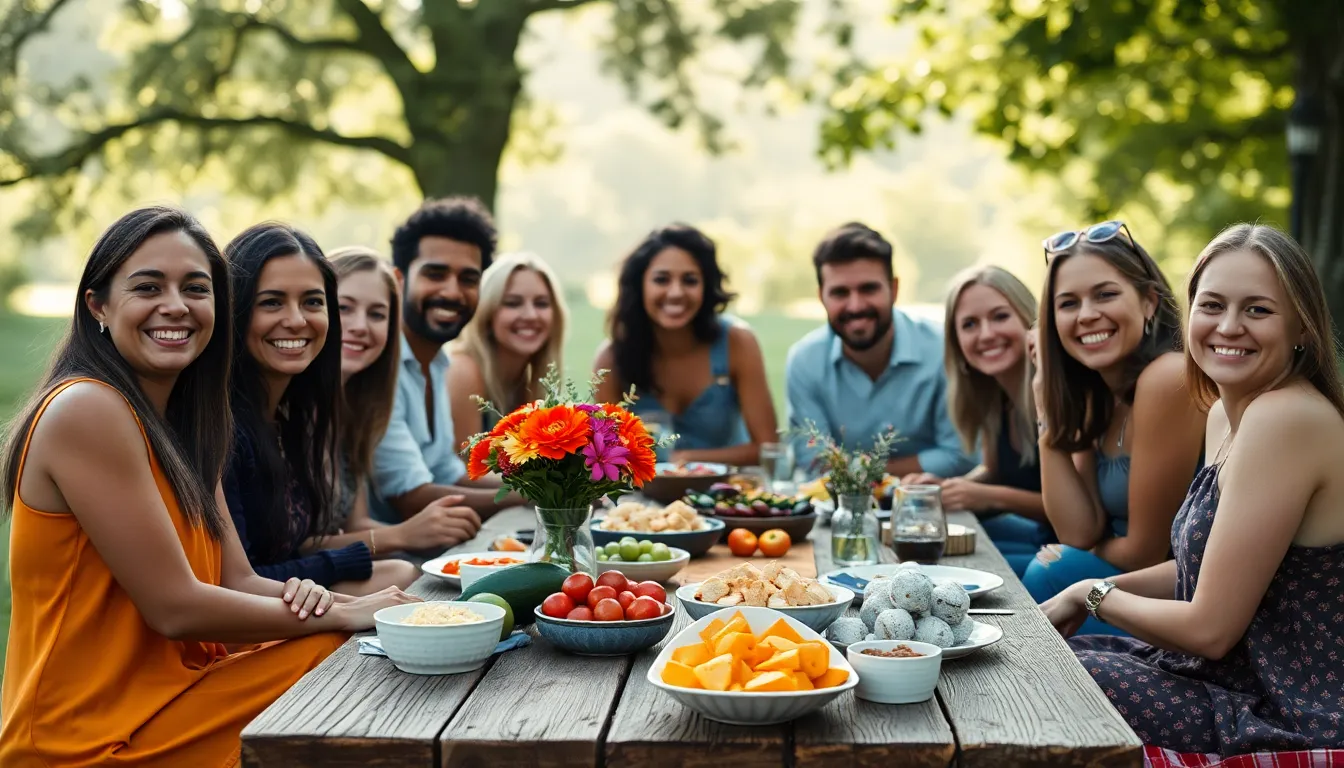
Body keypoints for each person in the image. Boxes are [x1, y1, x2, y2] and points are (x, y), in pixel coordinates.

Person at [0, 207, 416, 767]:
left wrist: (362, 606)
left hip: (180, 696)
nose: (176, 305)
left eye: (196, 289)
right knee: (346, 660)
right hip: (85, 739)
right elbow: (175, 608)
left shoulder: (193, 424)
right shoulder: (87, 409)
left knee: (364, 652)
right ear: (97, 304)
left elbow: (237, 579)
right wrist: (343, 615)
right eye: (149, 287)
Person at [1044, 223, 1344, 755]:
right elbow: (1200, 571)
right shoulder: (1228, 417)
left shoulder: (1286, 418)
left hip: (1287, 708)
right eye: (1212, 306)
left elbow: (1210, 629)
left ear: (1301, 326)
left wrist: (1092, 594)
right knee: (1040, 652)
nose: (1229, 327)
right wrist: (1083, 592)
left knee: (1052, 676)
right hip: (1228, 678)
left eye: (1257, 310)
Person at [1025, 220, 1205, 634]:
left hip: (1178, 601)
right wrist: (1044, 401)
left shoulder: (1168, 378)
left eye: (1105, 295)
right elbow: (1077, 528)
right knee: (1024, 576)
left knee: (1047, 570)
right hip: (1116, 579)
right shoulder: (1100, 395)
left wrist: (1081, 550)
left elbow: (1144, 554)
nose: (1087, 315)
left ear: (1149, 302)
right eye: (1068, 303)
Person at [222, 224, 419, 593]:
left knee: (406, 579)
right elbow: (237, 583)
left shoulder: (290, 414)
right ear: (235, 308)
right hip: (241, 628)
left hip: (292, 595)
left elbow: (306, 544)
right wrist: (369, 550)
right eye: (271, 302)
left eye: (312, 302)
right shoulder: (224, 428)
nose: (296, 320)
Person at [326, 247, 485, 554]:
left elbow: (358, 524)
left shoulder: (355, 405)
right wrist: (403, 535)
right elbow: (293, 551)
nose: (361, 325)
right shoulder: (291, 412)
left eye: (377, 314)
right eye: (344, 308)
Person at [785, 222, 975, 478]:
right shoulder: (805, 361)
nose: (855, 306)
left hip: (935, 507)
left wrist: (857, 473)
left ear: (894, 289)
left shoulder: (942, 349)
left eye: (868, 289)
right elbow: (815, 463)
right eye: (840, 293)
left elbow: (961, 455)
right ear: (822, 297)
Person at [370, 197, 515, 526]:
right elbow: (412, 498)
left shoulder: (438, 363)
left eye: (468, 279)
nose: (452, 292)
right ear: (399, 280)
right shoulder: (378, 366)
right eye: (435, 274)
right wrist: (538, 497)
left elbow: (450, 475)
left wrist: (556, 485)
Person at [904, 266, 1050, 576]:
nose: (986, 334)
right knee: (921, 551)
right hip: (1041, 537)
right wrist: (945, 488)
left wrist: (986, 496)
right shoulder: (994, 397)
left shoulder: (1053, 392)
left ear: (1030, 320)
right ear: (956, 341)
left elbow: (1079, 515)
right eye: (970, 324)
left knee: (948, 571)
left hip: (1063, 550)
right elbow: (994, 471)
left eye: (1000, 316)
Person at [594, 224, 777, 466]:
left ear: (706, 286)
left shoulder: (737, 342)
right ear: (640, 286)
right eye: (661, 280)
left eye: (690, 280)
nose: (676, 292)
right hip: (642, 500)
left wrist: (687, 460)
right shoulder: (610, 360)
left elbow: (769, 450)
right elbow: (603, 457)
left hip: (725, 496)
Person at [449, 251, 569, 449]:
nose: (530, 315)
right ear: (487, 312)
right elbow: (464, 468)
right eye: (512, 303)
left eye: (541, 303)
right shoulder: (463, 371)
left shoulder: (528, 385)